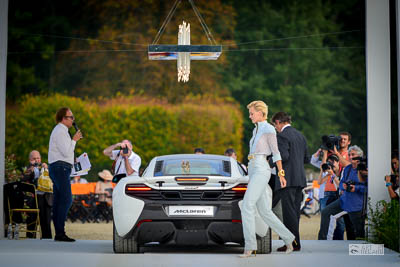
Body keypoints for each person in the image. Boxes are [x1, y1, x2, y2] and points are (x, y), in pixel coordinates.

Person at [239, 101, 295, 258]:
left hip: (261, 169)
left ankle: (249, 247)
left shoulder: (268, 129)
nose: (249, 116)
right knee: (265, 211)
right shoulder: (255, 130)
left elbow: (276, 153)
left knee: (247, 206)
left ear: (260, 113)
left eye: (251, 113)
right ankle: (289, 239)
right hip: (253, 168)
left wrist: (281, 174)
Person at [271, 111, 310, 252]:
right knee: (295, 213)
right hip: (299, 178)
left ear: (279, 122)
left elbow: (284, 156)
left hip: (286, 179)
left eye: (275, 125)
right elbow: (307, 159)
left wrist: (268, 160)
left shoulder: (281, 136)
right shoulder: (301, 135)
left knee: (288, 214)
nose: (275, 128)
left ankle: (292, 243)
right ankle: (295, 242)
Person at [318, 145, 367, 240]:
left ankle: (361, 250)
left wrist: (355, 188)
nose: (351, 156)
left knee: (358, 230)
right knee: (325, 212)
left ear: (359, 156)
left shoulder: (364, 169)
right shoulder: (348, 168)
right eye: (349, 154)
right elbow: (341, 184)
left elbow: (368, 187)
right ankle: (322, 240)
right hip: (344, 200)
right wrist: (343, 186)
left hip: (357, 203)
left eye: (353, 154)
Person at [48, 107, 82, 242]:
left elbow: (65, 153)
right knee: (66, 199)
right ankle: (60, 233)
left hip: (60, 167)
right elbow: (65, 152)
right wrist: (74, 140)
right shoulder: (61, 131)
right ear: (63, 118)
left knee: (58, 200)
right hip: (60, 168)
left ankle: (59, 233)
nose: (73, 120)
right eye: (71, 117)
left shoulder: (61, 131)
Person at [22, 150, 53, 239]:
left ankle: (47, 241)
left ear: (41, 159)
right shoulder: (27, 169)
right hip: (33, 198)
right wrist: (30, 170)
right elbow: (22, 180)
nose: (36, 160)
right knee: (31, 221)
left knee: (46, 223)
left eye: (38, 158)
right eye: (34, 158)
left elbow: (53, 179)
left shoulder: (46, 167)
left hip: (46, 197)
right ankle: (30, 240)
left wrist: (47, 169)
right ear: (29, 160)